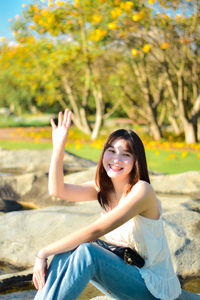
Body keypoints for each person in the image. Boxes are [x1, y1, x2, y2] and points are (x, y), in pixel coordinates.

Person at [32, 109, 181, 300]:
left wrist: (43, 252)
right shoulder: (104, 188)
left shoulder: (142, 191)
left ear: (136, 161)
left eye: (125, 154)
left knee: (87, 251)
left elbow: (96, 230)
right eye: (111, 151)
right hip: (125, 274)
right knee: (65, 252)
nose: (116, 159)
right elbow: (57, 191)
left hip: (152, 288)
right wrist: (58, 147)